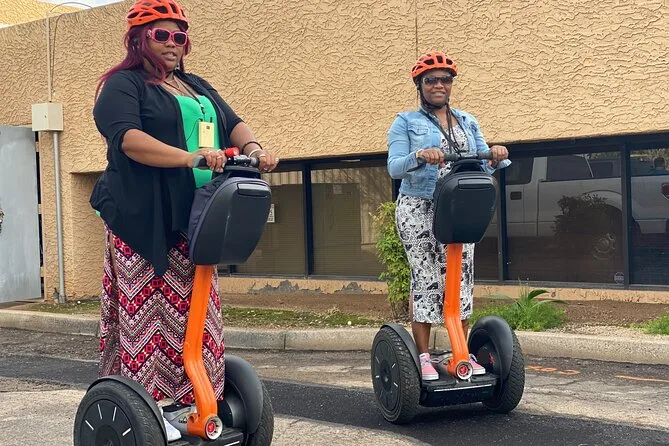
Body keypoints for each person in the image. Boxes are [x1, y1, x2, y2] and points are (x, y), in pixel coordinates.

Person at [90, 0, 279, 439]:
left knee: (199, 313)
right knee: (150, 316)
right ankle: (150, 408)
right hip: (144, 220)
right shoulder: (123, 85)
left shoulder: (195, 86)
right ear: (138, 39)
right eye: (161, 34)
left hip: (196, 216)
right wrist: (189, 157)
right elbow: (127, 139)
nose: (172, 43)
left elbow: (233, 122)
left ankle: (193, 401)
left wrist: (255, 149)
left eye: (179, 35)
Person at [386, 51, 511, 381]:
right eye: (431, 80)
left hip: (460, 205)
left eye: (445, 80)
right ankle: (424, 357)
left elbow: (483, 162)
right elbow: (394, 167)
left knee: (462, 277)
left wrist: (496, 156)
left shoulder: (467, 121)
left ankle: (460, 352)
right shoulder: (405, 122)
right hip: (420, 206)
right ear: (420, 85)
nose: (439, 85)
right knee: (427, 278)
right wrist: (420, 155)